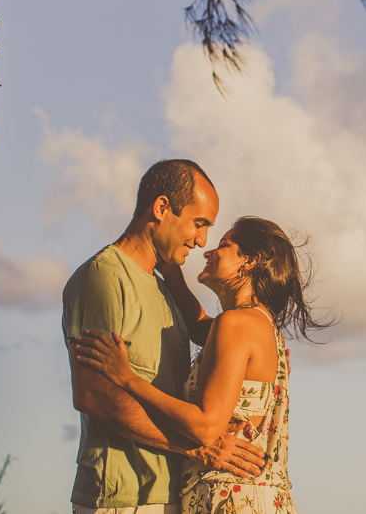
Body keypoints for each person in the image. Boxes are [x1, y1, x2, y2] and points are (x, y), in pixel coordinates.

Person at [75, 215, 326, 514]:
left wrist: (127, 378)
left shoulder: (235, 323)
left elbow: (207, 428)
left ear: (250, 261)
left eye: (224, 244)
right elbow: (198, 326)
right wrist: (172, 272)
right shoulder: (260, 325)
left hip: (229, 501)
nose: (208, 251)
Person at [63, 160, 266, 514]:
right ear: (161, 208)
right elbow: (94, 394)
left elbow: (214, 334)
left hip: (173, 497)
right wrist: (198, 448)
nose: (202, 240)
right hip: (122, 499)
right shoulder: (104, 276)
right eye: (199, 223)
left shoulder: (164, 289)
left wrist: (270, 353)